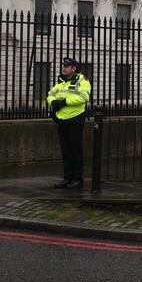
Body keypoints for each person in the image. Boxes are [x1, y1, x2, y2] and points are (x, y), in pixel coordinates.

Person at [46, 57, 92, 189]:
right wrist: (53, 102)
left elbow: (83, 98)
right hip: (62, 119)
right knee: (66, 151)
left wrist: (64, 102)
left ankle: (77, 179)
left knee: (75, 150)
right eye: (64, 66)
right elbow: (50, 94)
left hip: (75, 119)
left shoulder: (82, 81)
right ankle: (67, 178)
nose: (64, 68)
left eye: (67, 66)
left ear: (74, 69)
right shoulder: (61, 82)